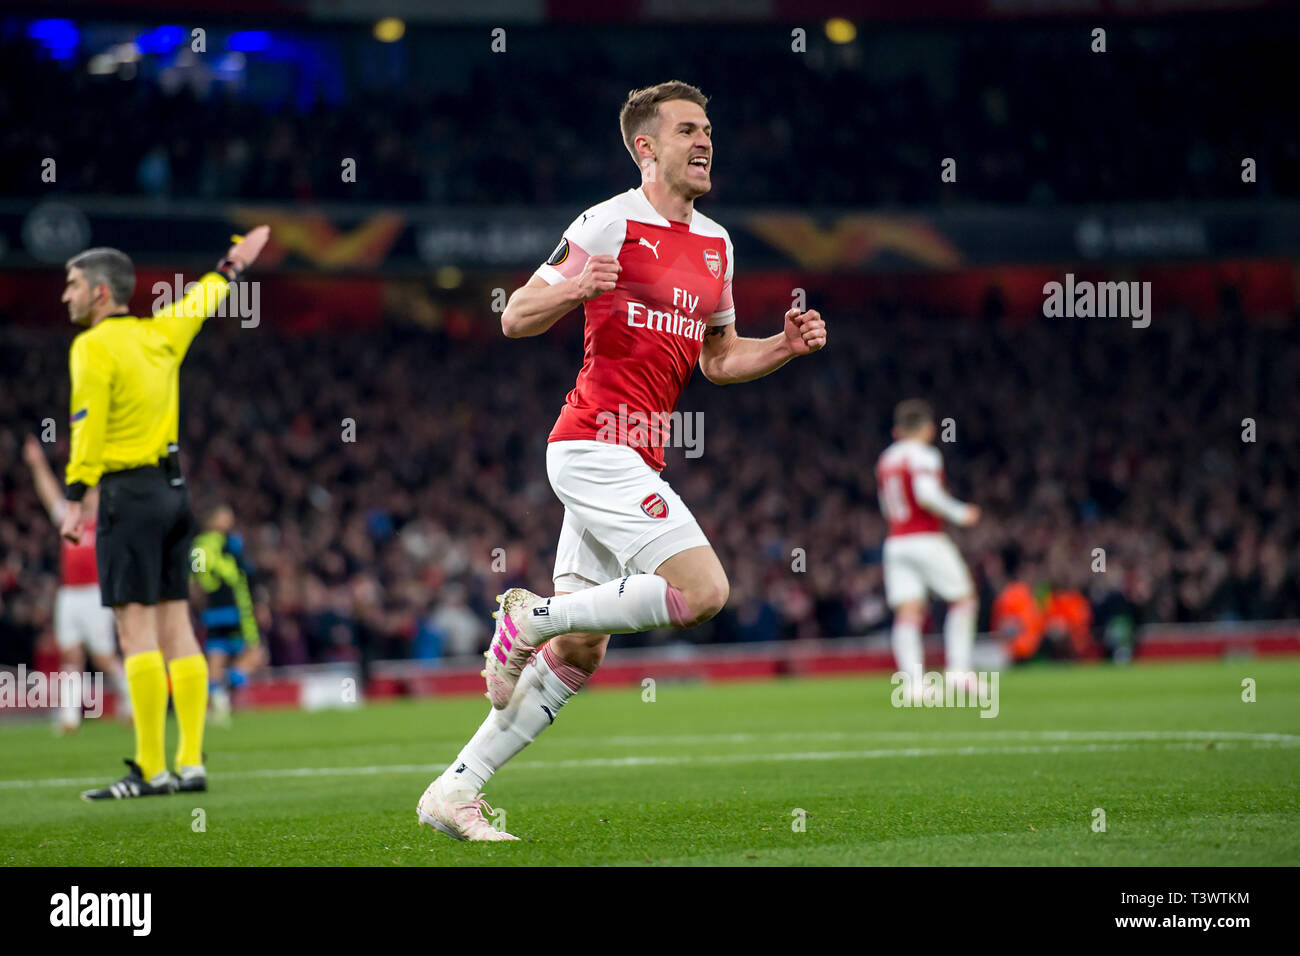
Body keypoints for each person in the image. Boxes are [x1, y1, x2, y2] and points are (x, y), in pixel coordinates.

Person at [417, 81, 828, 840]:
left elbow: (720, 357)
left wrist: (782, 346)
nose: (705, 142)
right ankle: (527, 616)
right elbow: (513, 316)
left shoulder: (718, 244)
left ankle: (455, 789)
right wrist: (577, 286)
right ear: (647, 147)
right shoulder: (607, 223)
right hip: (590, 445)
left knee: (581, 650)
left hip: (638, 455)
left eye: (709, 129)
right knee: (704, 590)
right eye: (687, 131)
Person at [62, 227, 270, 800]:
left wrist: (74, 498)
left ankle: (151, 770)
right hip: (177, 496)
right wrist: (230, 266)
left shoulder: (91, 347)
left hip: (127, 497)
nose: (66, 296)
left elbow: (87, 425)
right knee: (177, 626)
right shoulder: (162, 332)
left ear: (102, 292)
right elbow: (204, 298)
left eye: (74, 285)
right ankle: (191, 763)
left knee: (136, 632)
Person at [22, 434, 129, 734]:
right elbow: (49, 496)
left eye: (93, 492)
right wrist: (37, 464)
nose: (88, 497)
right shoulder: (71, 520)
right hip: (69, 595)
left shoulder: (106, 524)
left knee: (103, 657)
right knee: (70, 655)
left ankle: (131, 702)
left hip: (96, 594)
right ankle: (69, 717)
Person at [875, 399, 981, 701]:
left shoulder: (886, 459)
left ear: (897, 430)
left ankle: (913, 684)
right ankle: (959, 673)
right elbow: (926, 494)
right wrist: (961, 514)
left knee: (908, 611)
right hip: (925, 537)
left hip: (896, 541)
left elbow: (886, 506)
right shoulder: (924, 455)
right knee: (964, 599)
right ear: (928, 428)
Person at [191, 504, 265, 726]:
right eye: (225, 514)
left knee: (216, 657)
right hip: (236, 609)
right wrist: (259, 603)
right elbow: (247, 574)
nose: (230, 518)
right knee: (255, 654)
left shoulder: (197, 547)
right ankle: (224, 691)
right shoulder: (231, 543)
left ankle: (216, 704)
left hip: (211, 613)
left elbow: (196, 582)